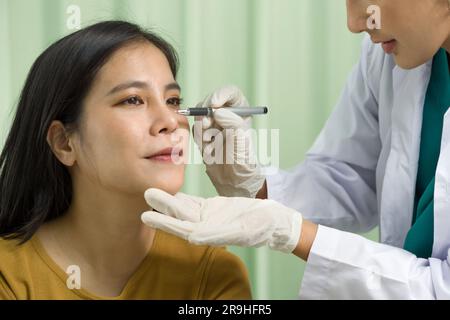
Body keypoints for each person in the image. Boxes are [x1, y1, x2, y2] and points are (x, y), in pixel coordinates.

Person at [141, 0, 450, 299]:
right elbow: (350, 176)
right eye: (132, 101)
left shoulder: (212, 278)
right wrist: (257, 186)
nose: (355, 23)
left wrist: (291, 232)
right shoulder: (390, 51)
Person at [0, 20, 251, 300]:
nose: (171, 121)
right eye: (132, 100)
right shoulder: (8, 274)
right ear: (63, 142)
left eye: (172, 100)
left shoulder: (211, 272)